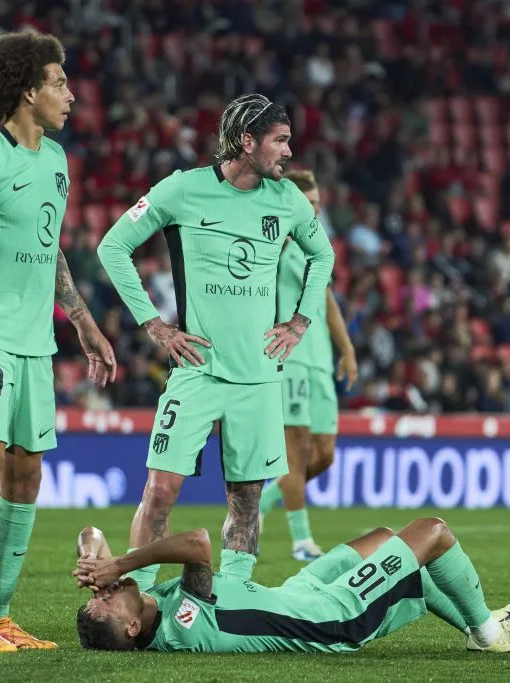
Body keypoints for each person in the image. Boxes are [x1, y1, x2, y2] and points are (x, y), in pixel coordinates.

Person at [97, 94, 335, 588]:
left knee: (245, 499)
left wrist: (301, 321)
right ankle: (137, 595)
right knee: (160, 490)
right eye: (280, 140)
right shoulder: (183, 190)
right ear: (247, 142)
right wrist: (154, 325)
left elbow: (323, 257)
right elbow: (113, 245)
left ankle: (233, 594)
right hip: (197, 370)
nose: (289, 152)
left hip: (258, 376)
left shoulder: (288, 199)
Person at [0, 29, 117, 652]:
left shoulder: (57, 161)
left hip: (36, 341)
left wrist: (84, 323)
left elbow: (50, 250)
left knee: (26, 476)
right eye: (59, 82)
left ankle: (1, 615)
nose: (70, 93)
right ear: (26, 90)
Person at [72, 519, 510, 655]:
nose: (106, 592)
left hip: (299, 591)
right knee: (432, 533)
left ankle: (475, 624)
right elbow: (198, 543)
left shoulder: (148, 603)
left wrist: (94, 558)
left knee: (386, 540)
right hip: (331, 618)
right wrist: (120, 563)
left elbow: (91, 531)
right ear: (133, 628)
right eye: (108, 604)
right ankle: (492, 636)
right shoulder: (186, 619)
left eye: (101, 594)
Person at [258, 168, 357, 561]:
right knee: (295, 453)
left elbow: (327, 301)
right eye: (309, 203)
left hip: (319, 362)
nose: (315, 210)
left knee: (324, 455)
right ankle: (302, 541)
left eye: (318, 204)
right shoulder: (276, 241)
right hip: (291, 360)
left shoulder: (317, 245)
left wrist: (346, 349)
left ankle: (262, 503)